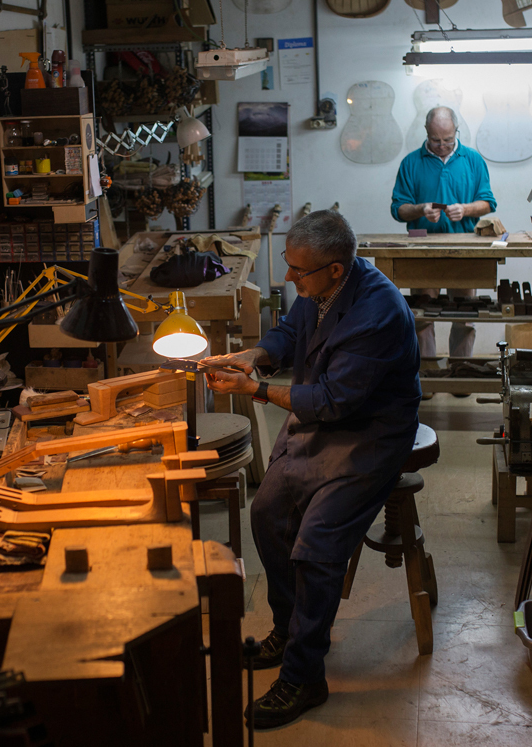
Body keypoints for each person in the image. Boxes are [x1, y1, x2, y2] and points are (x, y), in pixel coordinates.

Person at [203, 210, 421, 729]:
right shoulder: (317, 292)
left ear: (337, 270)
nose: (289, 278)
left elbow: (332, 402)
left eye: (299, 271)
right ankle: (287, 626)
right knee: (267, 513)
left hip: (369, 433)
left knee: (317, 545)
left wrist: (252, 388)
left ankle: (305, 675)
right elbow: (289, 332)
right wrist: (254, 356)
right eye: (289, 265)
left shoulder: (377, 312)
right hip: (324, 419)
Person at [389, 106, 498, 368]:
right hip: (421, 247)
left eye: (448, 140)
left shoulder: (472, 159)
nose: (442, 145)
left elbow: (488, 203)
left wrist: (467, 209)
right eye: (436, 140)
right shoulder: (411, 163)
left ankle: (462, 373)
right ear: (426, 132)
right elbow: (398, 209)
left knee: (465, 315)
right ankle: (426, 377)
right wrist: (420, 209)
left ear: (456, 132)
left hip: (465, 248)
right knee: (422, 315)